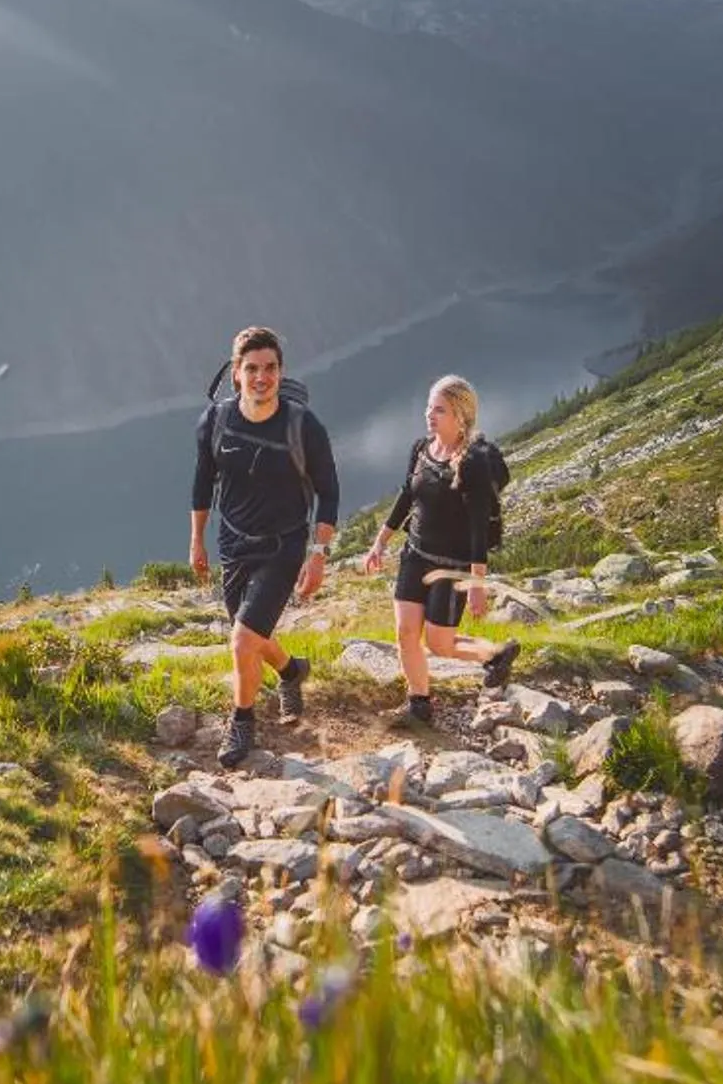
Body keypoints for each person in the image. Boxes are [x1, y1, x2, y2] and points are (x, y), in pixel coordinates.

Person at [188, 325, 340, 769]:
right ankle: (292, 671)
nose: (261, 377)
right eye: (251, 369)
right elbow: (202, 485)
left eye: (270, 368)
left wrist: (318, 554)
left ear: (280, 371)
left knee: (240, 640)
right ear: (235, 373)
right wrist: (196, 540)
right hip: (233, 542)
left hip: (284, 545)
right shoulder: (215, 421)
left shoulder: (303, 425)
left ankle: (242, 722)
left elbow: (328, 492)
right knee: (251, 634)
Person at [360, 374, 516, 726]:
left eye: (439, 410)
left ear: (460, 415)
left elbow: (478, 527)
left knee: (440, 645)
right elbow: (406, 497)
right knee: (405, 633)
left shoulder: (472, 462)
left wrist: (477, 584)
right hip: (414, 555)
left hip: (452, 566)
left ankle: (494, 655)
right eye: (429, 407)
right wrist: (379, 543)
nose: (430, 415)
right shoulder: (421, 448)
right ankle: (419, 703)